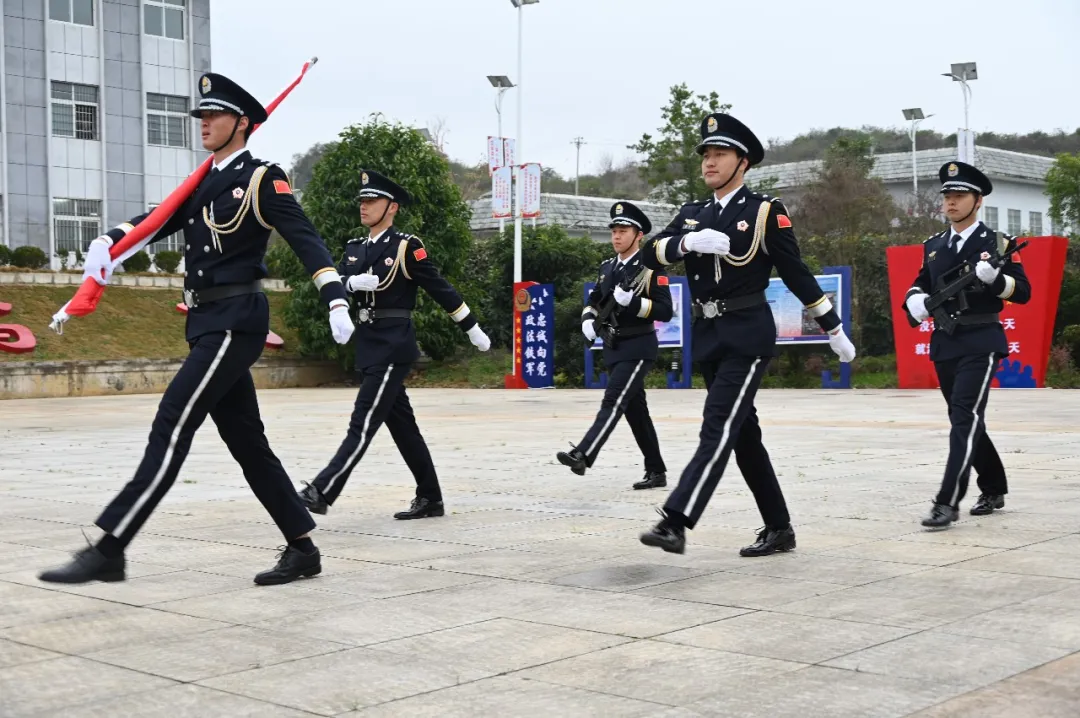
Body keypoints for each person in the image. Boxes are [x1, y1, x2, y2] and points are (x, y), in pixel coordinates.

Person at [39, 73, 355, 585]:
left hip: (235, 321)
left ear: (242, 123)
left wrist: (335, 295)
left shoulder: (262, 179)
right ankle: (303, 549)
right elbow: (158, 219)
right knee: (248, 443)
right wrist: (109, 239)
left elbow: (306, 238)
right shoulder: (203, 182)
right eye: (202, 115)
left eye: (214, 114)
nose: (203, 122)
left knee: (172, 422)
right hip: (207, 323)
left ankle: (111, 547)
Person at [637, 113, 857, 556]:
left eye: (719, 154)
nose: (709, 162)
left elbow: (796, 273)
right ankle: (779, 527)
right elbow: (649, 252)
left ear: (743, 162)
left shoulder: (763, 212)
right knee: (743, 435)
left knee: (717, 425)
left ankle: (676, 521)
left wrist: (832, 326)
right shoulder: (692, 214)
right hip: (708, 335)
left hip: (747, 334)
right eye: (705, 154)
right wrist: (686, 243)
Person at [298, 170, 491, 519]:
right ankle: (431, 498)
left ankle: (322, 489)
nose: (364, 206)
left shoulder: (405, 247)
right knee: (403, 428)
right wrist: (350, 284)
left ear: (392, 207)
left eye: (372, 201)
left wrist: (471, 326)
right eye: (362, 200)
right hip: (368, 344)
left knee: (363, 421)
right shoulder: (355, 248)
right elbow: (335, 280)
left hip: (393, 344)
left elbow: (439, 288)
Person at [903, 161, 1030, 529]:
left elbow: (1023, 292)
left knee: (963, 416)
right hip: (945, 341)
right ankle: (994, 486)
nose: (951, 202)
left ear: (978, 200)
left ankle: (947, 501)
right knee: (966, 418)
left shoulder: (998, 243)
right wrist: (913, 298)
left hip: (981, 340)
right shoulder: (933, 245)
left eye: (959, 195)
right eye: (947, 195)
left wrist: (996, 281)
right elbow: (922, 283)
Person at [557, 201, 673, 489]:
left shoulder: (650, 268)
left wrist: (632, 302)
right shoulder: (607, 267)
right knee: (636, 412)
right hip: (614, 347)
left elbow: (665, 311)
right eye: (614, 231)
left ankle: (583, 454)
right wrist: (588, 318)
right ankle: (656, 470)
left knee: (614, 400)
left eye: (623, 231)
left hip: (639, 346)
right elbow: (594, 299)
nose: (617, 237)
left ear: (639, 235)